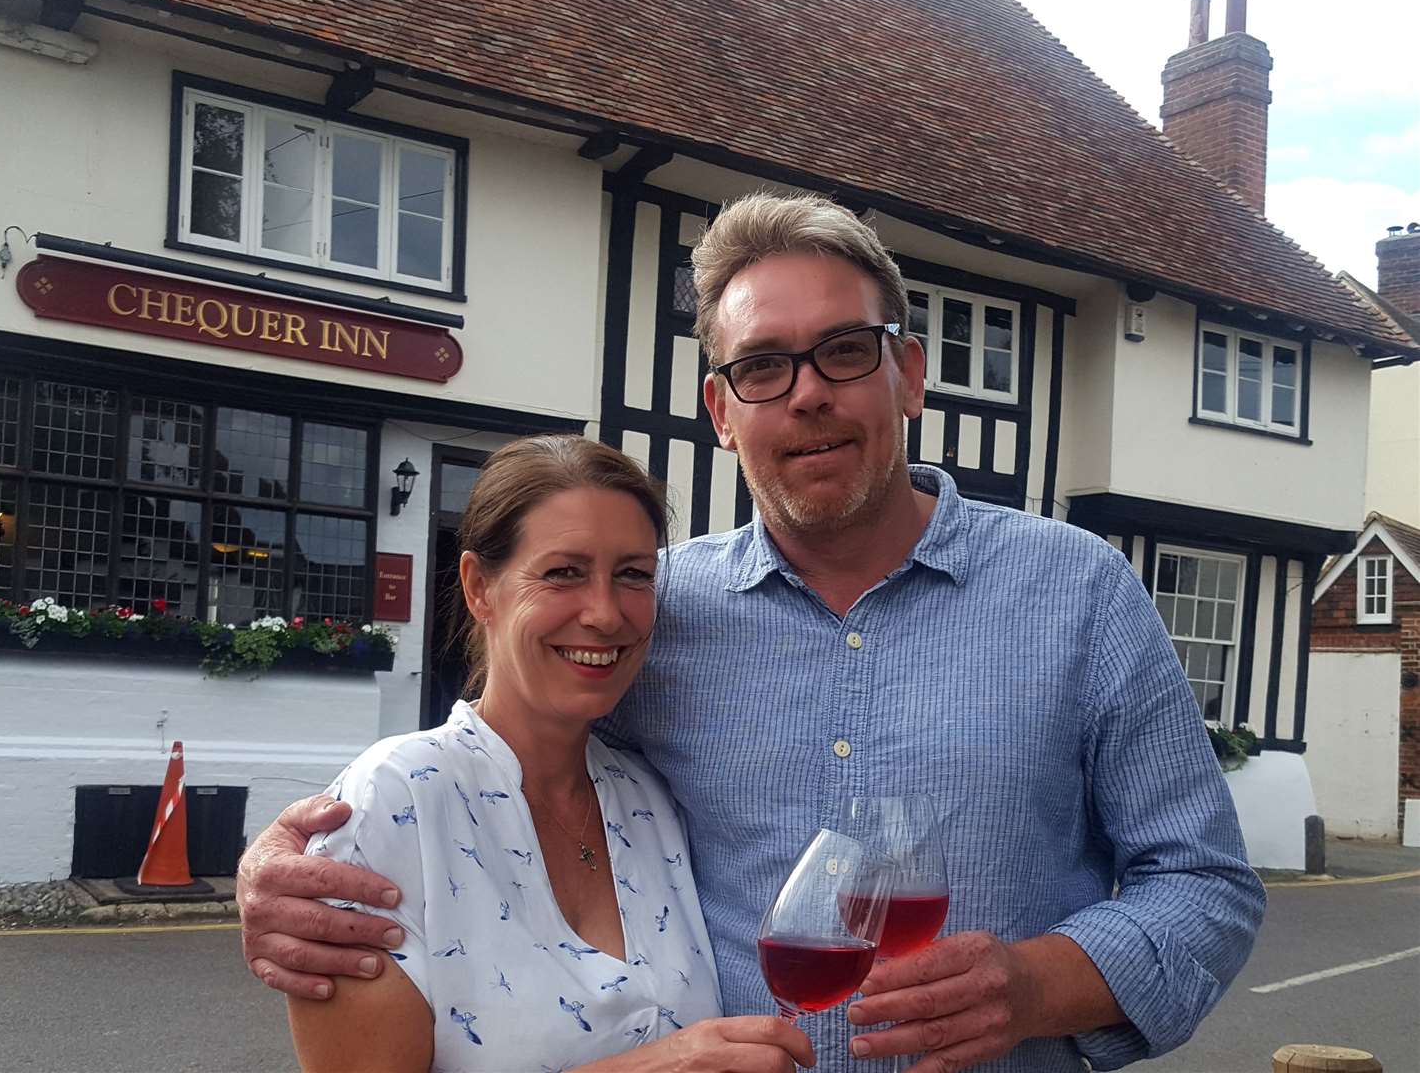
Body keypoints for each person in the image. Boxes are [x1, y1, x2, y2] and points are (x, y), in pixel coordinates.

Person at [241, 192, 1265, 1072]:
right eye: (764, 366)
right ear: (722, 411)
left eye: (844, 352)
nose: (808, 391)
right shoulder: (654, 611)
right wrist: (280, 863)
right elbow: (499, 773)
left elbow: (1204, 882)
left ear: (907, 374)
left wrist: (1041, 986)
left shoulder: (1076, 588)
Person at [282, 434, 815, 1072]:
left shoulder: (647, 799)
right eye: (563, 572)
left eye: (633, 576)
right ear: (480, 587)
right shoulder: (396, 801)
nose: (605, 613)